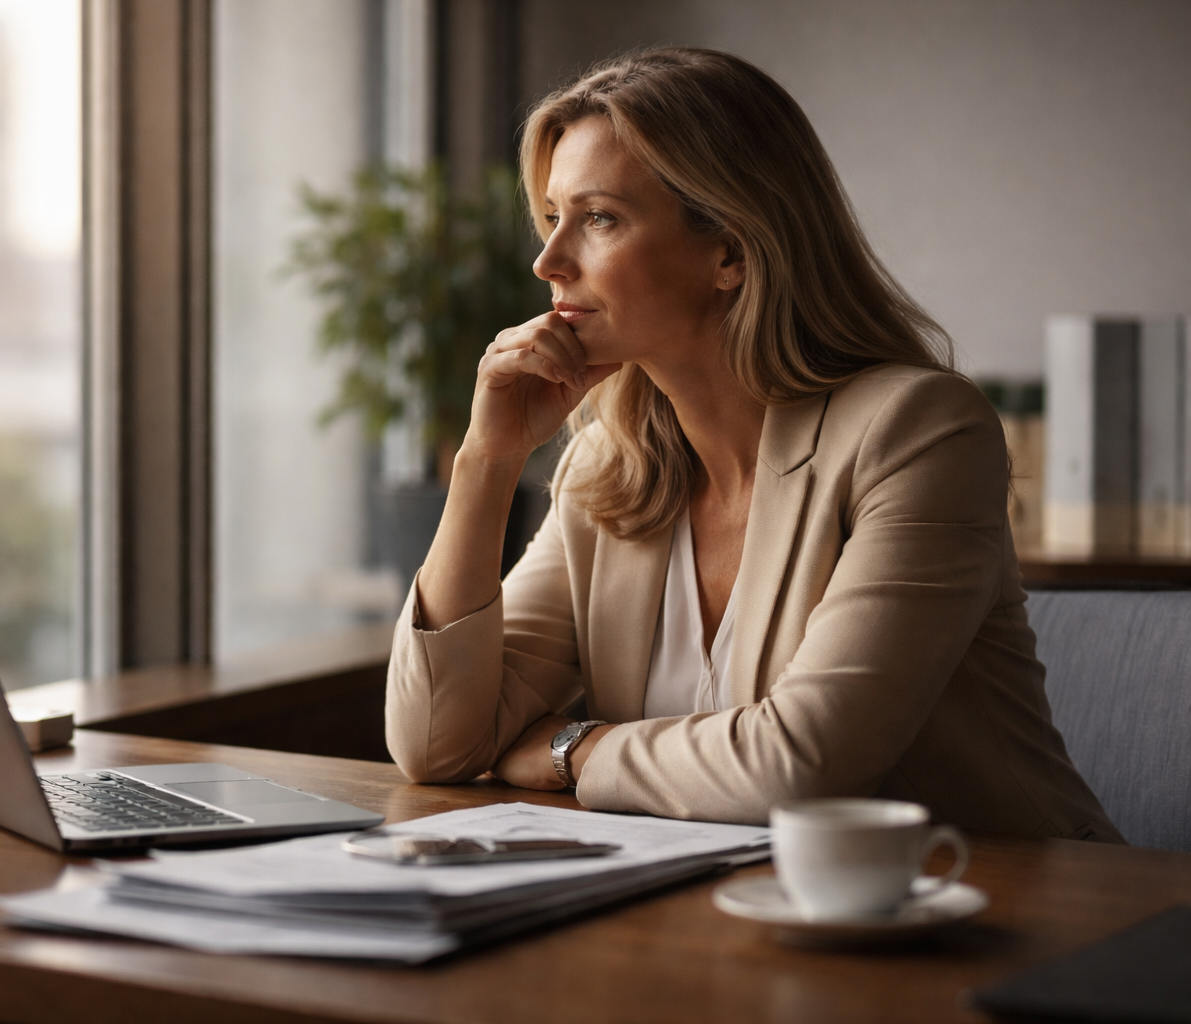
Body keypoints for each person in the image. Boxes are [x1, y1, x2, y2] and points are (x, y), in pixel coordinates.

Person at [384, 47, 1121, 841]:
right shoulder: (612, 466)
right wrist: (486, 463)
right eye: (552, 217)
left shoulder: (919, 432)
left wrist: (571, 749)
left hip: (1011, 922)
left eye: (598, 219)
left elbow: (803, 768)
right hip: (734, 925)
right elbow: (437, 745)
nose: (548, 260)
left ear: (730, 252)